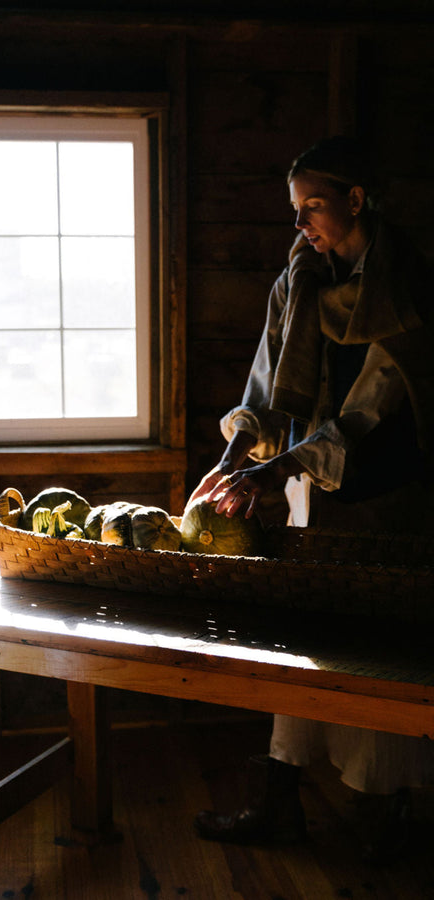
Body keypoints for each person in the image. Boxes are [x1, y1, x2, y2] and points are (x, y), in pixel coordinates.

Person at [189, 135, 434, 863]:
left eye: (313, 208)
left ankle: (396, 810)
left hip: (390, 494)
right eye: (295, 211)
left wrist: (277, 470)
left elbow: (370, 415)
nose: (301, 227)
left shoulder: (407, 289)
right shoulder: (297, 284)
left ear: (356, 201)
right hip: (311, 492)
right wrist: (236, 456)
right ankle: (281, 796)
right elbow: (265, 393)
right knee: (298, 643)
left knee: (378, 653)